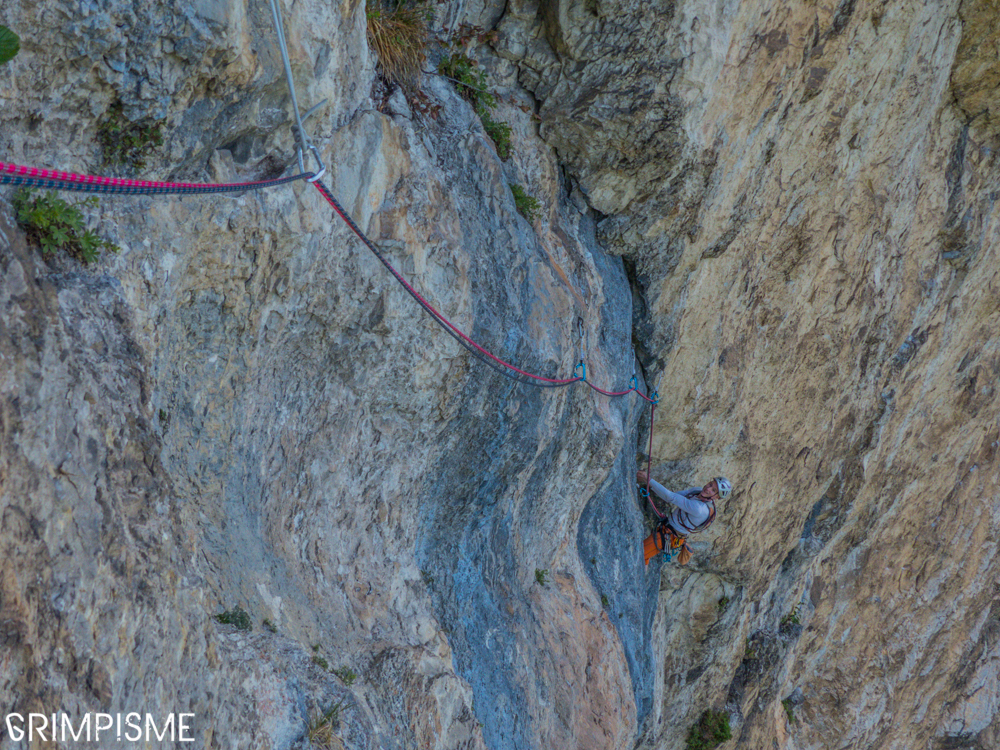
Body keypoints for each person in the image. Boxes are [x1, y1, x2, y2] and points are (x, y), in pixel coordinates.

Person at [637, 471, 732, 564]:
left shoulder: (700, 509)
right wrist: (650, 484)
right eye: (710, 484)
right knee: (643, 556)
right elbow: (670, 497)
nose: (708, 488)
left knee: (639, 554)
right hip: (666, 528)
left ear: (716, 497)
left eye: (713, 490)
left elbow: (671, 497)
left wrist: (649, 481)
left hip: (668, 536)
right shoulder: (697, 492)